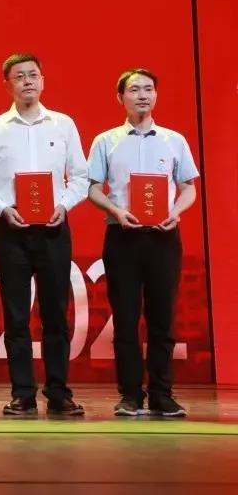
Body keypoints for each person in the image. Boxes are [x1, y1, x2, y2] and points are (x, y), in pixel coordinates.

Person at [0, 53, 89, 416]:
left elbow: (80, 176)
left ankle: (59, 392)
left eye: (33, 75)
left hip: (53, 228)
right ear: (7, 85)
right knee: (16, 314)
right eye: (19, 76)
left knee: (56, 313)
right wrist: (3, 208)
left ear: (43, 81)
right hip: (11, 229)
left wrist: (63, 205)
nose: (27, 82)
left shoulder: (63, 125)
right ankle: (22, 393)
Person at [86, 68, 198, 417]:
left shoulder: (174, 140)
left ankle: (163, 393)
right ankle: (131, 394)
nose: (143, 95)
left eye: (149, 89)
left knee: (162, 318)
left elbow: (189, 187)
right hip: (122, 236)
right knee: (125, 318)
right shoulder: (106, 141)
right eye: (134, 90)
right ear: (120, 97)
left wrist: (176, 212)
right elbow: (92, 188)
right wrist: (116, 210)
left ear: (156, 95)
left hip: (164, 237)